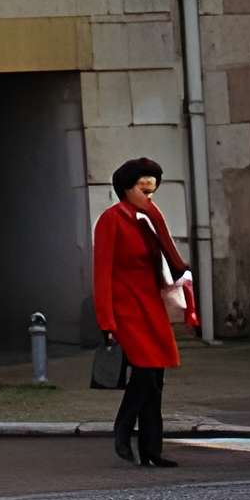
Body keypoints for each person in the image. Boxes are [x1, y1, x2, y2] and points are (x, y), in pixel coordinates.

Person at [93, 155, 195, 468]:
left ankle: (152, 449)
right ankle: (123, 428)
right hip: (126, 307)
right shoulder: (111, 220)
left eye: (152, 191)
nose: (149, 196)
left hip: (150, 304)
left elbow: (170, 256)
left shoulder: (150, 217)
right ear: (126, 188)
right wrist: (106, 320)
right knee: (146, 373)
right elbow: (101, 272)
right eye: (144, 190)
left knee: (156, 377)